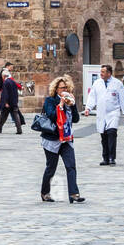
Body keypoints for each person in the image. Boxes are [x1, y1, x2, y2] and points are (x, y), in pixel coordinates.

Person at [37, 76, 85, 204]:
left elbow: (75, 119)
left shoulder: (70, 101)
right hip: (52, 139)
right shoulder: (50, 100)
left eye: (66, 88)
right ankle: (45, 192)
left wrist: (73, 105)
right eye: (62, 88)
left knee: (71, 166)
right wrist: (61, 105)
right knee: (51, 168)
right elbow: (52, 115)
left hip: (67, 138)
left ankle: (74, 194)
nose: (65, 90)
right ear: (56, 89)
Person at [85, 64, 124, 165]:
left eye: (103, 72)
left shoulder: (117, 83)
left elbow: (122, 98)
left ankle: (112, 157)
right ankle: (105, 158)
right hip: (101, 113)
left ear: (109, 73)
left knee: (112, 133)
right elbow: (92, 96)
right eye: (100, 72)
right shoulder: (97, 83)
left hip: (113, 112)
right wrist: (88, 108)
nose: (101, 74)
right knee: (103, 136)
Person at [0, 65, 24, 134]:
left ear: (4, 76)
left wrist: (5, 103)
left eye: (2, 76)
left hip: (8, 103)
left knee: (2, 117)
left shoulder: (5, 82)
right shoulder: (13, 82)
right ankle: (19, 130)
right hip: (14, 102)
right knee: (16, 116)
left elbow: (5, 94)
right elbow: (15, 92)